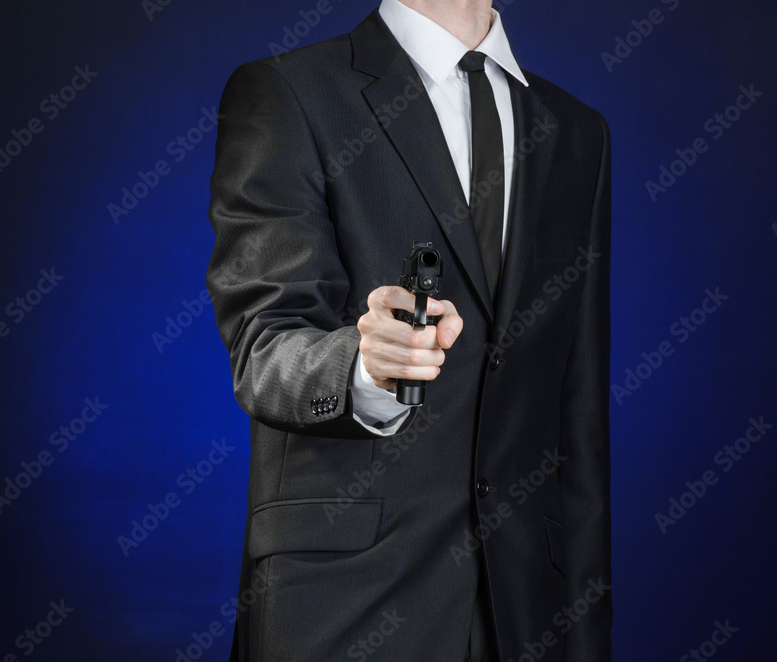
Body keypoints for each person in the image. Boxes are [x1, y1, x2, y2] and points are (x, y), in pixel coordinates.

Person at [206, 0, 611, 660]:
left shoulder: (577, 131)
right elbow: (265, 347)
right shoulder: (287, 92)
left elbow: (579, 418)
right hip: (344, 604)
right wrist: (366, 370)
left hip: (529, 615)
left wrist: (587, 632)